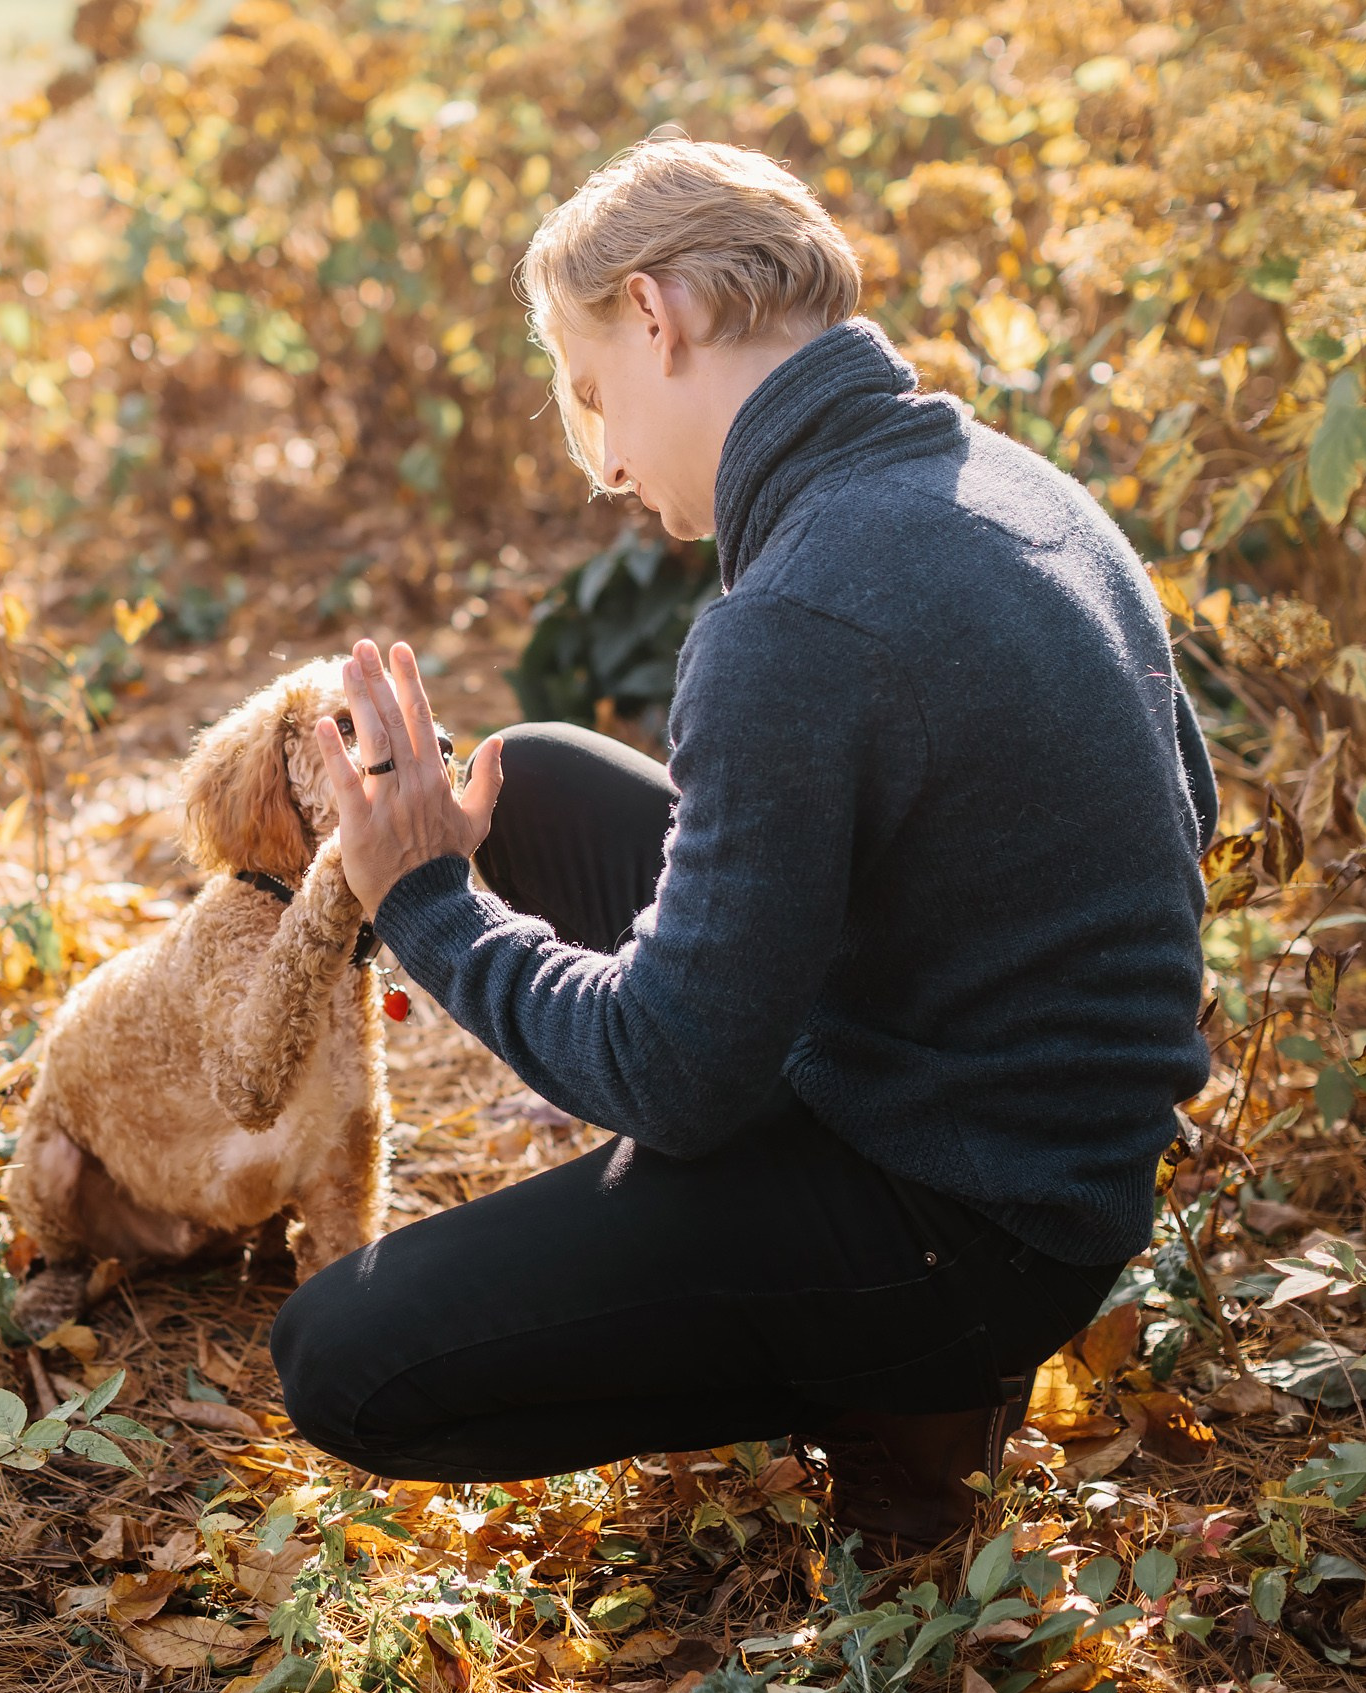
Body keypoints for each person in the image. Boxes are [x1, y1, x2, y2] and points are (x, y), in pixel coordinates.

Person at [268, 136, 1216, 1543]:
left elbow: (670, 1074)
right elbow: (1188, 806)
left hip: (966, 1226)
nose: (606, 464)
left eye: (594, 394)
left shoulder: (795, 618)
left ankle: (900, 1394)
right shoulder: (1021, 488)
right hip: (1065, 1150)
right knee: (535, 784)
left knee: (341, 1360)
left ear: (656, 315)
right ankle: (829, 1286)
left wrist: (425, 901)